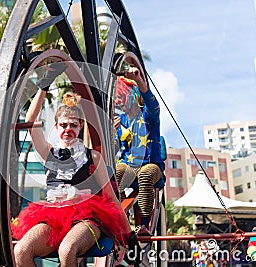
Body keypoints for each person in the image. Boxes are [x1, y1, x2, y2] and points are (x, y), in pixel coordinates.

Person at [11, 64, 134, 267]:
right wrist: (44, 85)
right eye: (64, 125)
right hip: (54, 215)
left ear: (80, 127)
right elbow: (30, 120)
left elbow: (111, 196)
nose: (68, 129)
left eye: (73, 125)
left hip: (87, 216)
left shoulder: (92, 157)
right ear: (56, 127)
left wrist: (129, 234)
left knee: (67, 250)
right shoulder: (49, 153)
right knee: (21, 251)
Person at [114, 66, 165, 231]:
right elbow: (111, 149)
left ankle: (143, 225)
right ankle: (122, 220)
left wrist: (138, 80)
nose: (120, 104)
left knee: (145, 174)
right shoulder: (118, 121)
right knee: (116, 172)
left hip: (151, 167)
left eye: (122, 97)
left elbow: (152, 102)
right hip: (129, 167)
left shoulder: (148, 115)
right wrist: (110, 132)